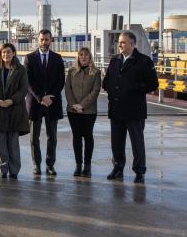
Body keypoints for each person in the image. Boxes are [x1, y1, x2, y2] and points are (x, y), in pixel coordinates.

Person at [102, 31, 158, 183]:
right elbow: (106, 82)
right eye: (119, 42)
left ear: (133, 44)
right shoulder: (115, 60)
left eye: (123, 42)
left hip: (134, 110)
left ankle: (139, 171)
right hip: (116, 109)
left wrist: (133, 88)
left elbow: (153, 84)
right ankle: (118, 168)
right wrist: (112, 91)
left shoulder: (144, 61)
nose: (119, 45)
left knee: (137, 143)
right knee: (117, 142)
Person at [0, 43, 30, 179]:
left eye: (8, 52)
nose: (6, 55)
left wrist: (11, 101)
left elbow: (23, 89)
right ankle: (3, 169)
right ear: (0, 54)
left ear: (14, 53)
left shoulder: (21, 70)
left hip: (14, 110)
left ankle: (14, 170)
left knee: (13, 142)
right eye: (3, 52)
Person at [24, 29, 65, 176]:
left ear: (51, 40)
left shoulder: (58, 58)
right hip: (35, 103)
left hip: (52, 103)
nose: (44, 42)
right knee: (34, 137)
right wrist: (41, 97)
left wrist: (50, 97)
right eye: (41, 39)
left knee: (52, 137)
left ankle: (50, 165)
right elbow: (28, 82)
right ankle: (36, 165)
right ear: (38, 40)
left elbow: (61, 81)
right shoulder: (29, 58)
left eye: (46, 40)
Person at [65, 47, 101, 178]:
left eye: (86, 55)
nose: (83, 57)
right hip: (73, 111)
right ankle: (78, 165)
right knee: (76, 137)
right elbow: (67, 89)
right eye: (81, 55)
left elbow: (95, 91)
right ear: (78, 57)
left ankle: (87, 166)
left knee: (88, 136)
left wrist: (83, 105)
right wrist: (74, 105)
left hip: (89, 111)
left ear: (90, 57)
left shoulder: (96, 73)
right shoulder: (72, 71)